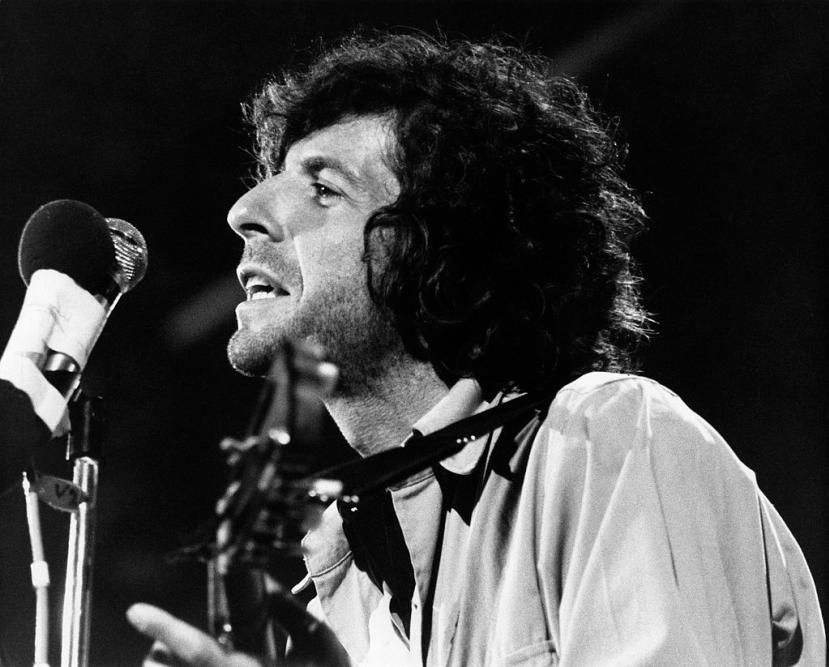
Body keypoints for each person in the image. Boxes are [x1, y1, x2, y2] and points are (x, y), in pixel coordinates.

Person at [126, 33, 825, 665]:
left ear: (446, 248)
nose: (244, 211)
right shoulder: (337, 601)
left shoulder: (604, 438)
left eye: (324, 188)